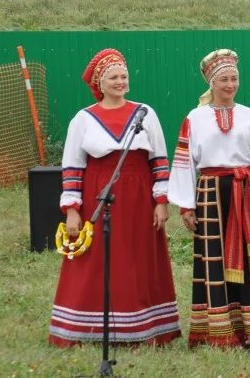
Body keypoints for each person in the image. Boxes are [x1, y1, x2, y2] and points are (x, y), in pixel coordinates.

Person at [50, 49, 180, 347]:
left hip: (138, 198)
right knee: (97, 259)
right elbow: (72, 167)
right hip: (98, 196)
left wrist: (161, 201)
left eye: (124, 76)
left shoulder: (145, 113)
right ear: (100, 82)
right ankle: (88, 328)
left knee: (136, 258)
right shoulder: (83, 119)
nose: (120, 82)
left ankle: (143, 328)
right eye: (113, 77)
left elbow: (159, 160)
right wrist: (72, 210)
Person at [168, 49, 250, 350]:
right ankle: (220, 333)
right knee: (214, 259)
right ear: (211, 83)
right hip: (211, 195)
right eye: (224, 79)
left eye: (234, 78)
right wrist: (186, 205)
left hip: (247, 192)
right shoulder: (194, 118)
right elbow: (184, 162)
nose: (230, 85)